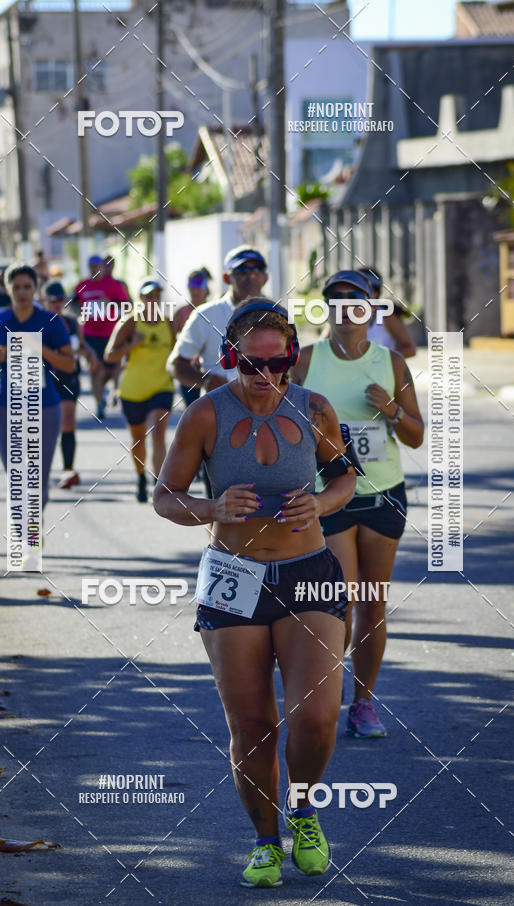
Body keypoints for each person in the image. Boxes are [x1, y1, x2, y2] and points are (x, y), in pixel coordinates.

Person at [154, 299, 357, 887]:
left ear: (292, 359)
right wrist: (212, 507)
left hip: (308, 570)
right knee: (252, 726)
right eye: (250, 364)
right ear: (229, 358)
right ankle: (266, 840)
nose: (265, 377)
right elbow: (166, 497)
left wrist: (320, 502)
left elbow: (344, 476)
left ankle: (303, 810)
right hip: (232, 576)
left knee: (316, 719)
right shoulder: (204, 415)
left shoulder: (314, 408)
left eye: (278, 364)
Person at [292, 270, 424, 738]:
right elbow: (282, 423)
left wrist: (391, 409)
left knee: (373, 605)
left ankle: (363, 702)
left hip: (384, 494)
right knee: (342, 602)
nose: (346, 304)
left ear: (371, 307)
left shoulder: (391, 362)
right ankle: (327, 696)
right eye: (336, 297)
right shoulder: (307, 360)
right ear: (326, 307)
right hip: (331, 495)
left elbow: (416, 435)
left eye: (356, 297)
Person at [0, 264, 75, 509]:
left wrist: (40, 348)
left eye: (27, 287)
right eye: (17, 287)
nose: (22, 292)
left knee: (37, 480)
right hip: (4, 405)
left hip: (44, 406)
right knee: (15, 477)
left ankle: (31, 537)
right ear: (6, 288)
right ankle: (22, 537)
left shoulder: (51, 322)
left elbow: (69, 363)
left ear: (36, 289)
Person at [104, 278, 176, 503]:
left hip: (162, 387)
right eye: (148, 296)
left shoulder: (168, 323)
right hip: (133, 390)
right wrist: (131, 345)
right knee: (138, 440)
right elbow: (109, 355)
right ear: (141, 299)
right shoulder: (130, 322)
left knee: (158, 433)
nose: (153, 300)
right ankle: (140, 478)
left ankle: (159, 484)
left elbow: (179, 353)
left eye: (157, 296)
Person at [167, 246, 268, 395]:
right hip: (217, 411)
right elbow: (175, 364)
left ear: (265, 277)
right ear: (227, 278)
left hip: (266, 411)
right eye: (242, 270)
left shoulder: (279, 315)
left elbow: (290, 367)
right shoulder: (205, 315)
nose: (251, 275)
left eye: (257, 269)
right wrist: (206, 381)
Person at [44, 280, 93, 489]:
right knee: (45, 427)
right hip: (45, 379)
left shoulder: (72, 323)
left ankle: (68, 470)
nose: (57, 304)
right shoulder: (40, 323)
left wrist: (90, 357)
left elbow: (83, 348)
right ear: (44, 301)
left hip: (69, 377)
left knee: (68, 423)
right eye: (53, 300)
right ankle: (40, 470)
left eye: (61, 300)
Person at [73, 253, 131, 419]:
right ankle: (99, 404)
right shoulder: (82, 285)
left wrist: (110, 303)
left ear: (102, 267)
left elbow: (127, 306)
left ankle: (116, 395)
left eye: (97, 266)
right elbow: (72, 305)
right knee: (95, 370)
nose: (94, 269)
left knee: (115, 370)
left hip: (111, 333)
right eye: (91, 267)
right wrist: (79, 315)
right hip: (90, 334)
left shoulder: (113, 285)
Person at [174, 268, 212, 407]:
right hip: (189, 367)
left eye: (198, 287)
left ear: (205, 288)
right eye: (192, 287)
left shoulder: (214, 310)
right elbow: (172, 340)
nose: (195, 291)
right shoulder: (181, 313)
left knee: (211, 408)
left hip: (210, 367)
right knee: (192, 408)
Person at [359, 266, 416, 358]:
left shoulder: (387, 316)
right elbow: (326, 345)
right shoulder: (342, 315)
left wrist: (381, 359)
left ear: (375, 294)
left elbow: (410, 349)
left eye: (363, 290)